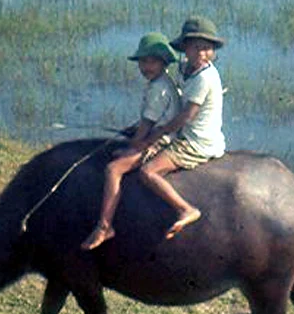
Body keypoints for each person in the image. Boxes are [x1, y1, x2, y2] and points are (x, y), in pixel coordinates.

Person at [81, 33, 181, 251]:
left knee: (113, 169)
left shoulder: (158, 88)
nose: (146, 66)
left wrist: (134, 143)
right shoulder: (162, 82)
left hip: (159, 140)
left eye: (152, 61)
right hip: (159, 133)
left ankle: (105, 225)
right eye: (143, 62)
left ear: (164, 62)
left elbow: (148, 124)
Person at [138, 16, 226, 240]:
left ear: (213, 51)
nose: (201, 54)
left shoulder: (204, 78)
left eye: (207, 49)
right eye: (195, 48)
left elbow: (187, 116)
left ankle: (186, 209)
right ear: (185, 49)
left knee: (148, 172)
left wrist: (156, 133)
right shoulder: (186, 69)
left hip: (195, 142)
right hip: (190, 134)